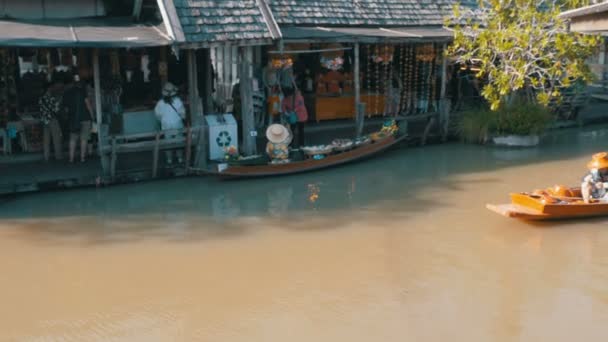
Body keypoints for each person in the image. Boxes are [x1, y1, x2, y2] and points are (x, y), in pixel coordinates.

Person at [63, 75, 93, 163]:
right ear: (80, 83)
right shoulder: (83, 91)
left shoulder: (67, 92)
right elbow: (88, 105)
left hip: (73, 119)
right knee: (84, 139)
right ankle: (82, 158)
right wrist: (92, 116)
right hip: (85, 118)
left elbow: (66, 109)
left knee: (72, 139)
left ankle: (71, 159)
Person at [154, 82, 186, 165]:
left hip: (166, 126)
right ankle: (180, 159)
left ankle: (169, 160)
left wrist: (164, 120)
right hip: (177, 125)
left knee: (168, 143)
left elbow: (158, 116)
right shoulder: (178, 101)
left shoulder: (160, 103)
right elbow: (183, 115)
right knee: (179, 142)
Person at [38, 82, 63, 161]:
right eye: (52, 87)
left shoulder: (41, 98)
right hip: (52, 120)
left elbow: (41, 110)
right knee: (56, 138)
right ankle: (58, 156)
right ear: (49, 88)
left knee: (46, 140)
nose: (53, 89)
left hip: (45, 120)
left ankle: (46, 157)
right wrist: (59, 101)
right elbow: (56, 109)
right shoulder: (52, 98)